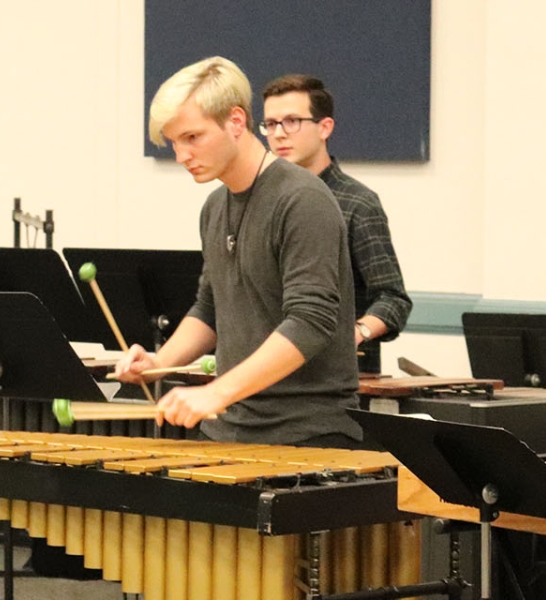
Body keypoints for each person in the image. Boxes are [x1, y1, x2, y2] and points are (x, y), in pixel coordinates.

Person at [116, 57, 363, 448]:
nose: (181, 156)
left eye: (192, 137)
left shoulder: (302, 200)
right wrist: (160, 362)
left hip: (306, 434)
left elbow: (310, 321)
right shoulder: (215, 207)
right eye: (174, 142)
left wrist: (217, 392)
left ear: (235, 122)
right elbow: (209, 309)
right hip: (229, 429)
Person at [261, 74, 412, 374]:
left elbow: (392, 299)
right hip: (269, 368)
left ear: (325, 128)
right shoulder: (262, 201)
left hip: (339, 375)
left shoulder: (358, 203)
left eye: (292, 121)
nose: (279, 134)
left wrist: (355, 333)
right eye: (271, 124)